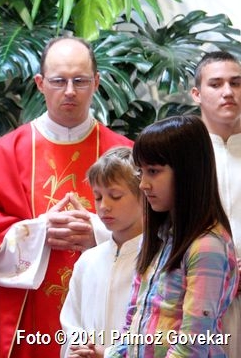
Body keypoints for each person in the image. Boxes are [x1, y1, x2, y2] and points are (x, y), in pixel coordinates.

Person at [0, 36, 134, 357]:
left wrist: (97, 231)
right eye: (58, 81)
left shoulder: (126, 155)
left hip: (106, 314)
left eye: (80, 81)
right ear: (40, 83)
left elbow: (156, 234)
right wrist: (37, 233)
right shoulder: (3, 155)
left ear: (96, 82)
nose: (69, 91)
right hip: (27, 318)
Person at [106, 115, 239, 357]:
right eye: (141, 172)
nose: (143, 184)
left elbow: (192, 345)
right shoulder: (157, 237)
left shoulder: (207, 246)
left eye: (153, 171)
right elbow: (133, 322)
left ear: (188, 172)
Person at [60, 147, 143, 358]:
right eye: (98, 197)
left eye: (115, 196)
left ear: (143, 195)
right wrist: (81, 347)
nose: (104, 206)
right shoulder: (88, 260)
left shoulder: (158, 258)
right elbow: (71, 321)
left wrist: (108, 354)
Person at [191, 50, 241, 357]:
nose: (228, 92)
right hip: (197, 294)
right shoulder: (181, 154)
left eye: (236, 83)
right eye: (216, 83)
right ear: (196, 93)